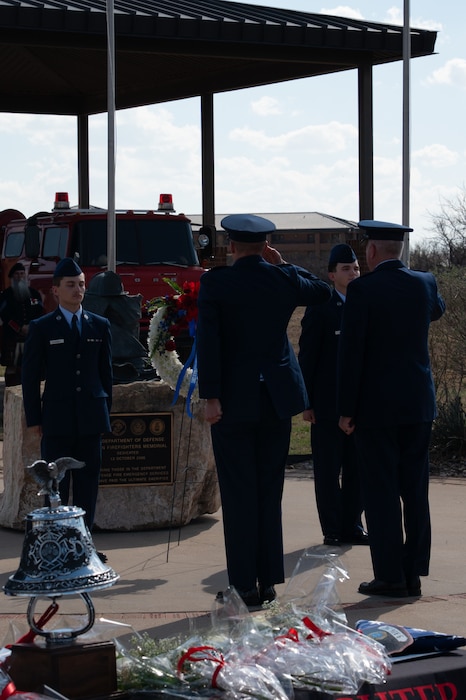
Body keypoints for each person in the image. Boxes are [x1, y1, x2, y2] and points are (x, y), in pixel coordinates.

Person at [196, 214, 331, 607]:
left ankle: (243, 585)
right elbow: (322, 291)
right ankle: (269, 580)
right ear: (265, 245)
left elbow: (209, 342)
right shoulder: (282, 278)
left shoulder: (217, 282)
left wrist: (211, 396)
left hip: (233, 402)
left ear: (231, 246)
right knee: (269, 491)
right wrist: (284, 264)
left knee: (239, 494)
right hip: (276, 399)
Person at [338, 220, 446, 598]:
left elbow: (351, 355)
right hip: (418, 403)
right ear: (400, 250)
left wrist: (345, 409)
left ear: (370, 252)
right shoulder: (425, 282)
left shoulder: (362, 290)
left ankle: (390, 575)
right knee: (415, 491)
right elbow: (436, 311)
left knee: (381, 492)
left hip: (375, 408)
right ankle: (414, 572)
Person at [22, 258, 113, 537]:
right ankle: (58, 544)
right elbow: (30, 375)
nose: (78, 290)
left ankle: (84, 545)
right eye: (71, 285)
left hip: (90, 418)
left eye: (82, 284)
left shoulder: (99, 325)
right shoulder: (43, 327)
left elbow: (106, 374)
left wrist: (105, 413)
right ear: (55, 291)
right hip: (57, 419)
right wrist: (34, 418)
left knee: (88, 483)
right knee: (55, 485)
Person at [298, 243, 368, 547]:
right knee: (328, 471)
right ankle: (333, 529)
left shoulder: (366, 304)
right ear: (331, 274)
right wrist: (307, 402)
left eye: (355, 268)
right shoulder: (321, 308)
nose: (352, 273)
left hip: (361, 404)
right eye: (345, 269)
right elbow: (308, 358)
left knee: (358, 469)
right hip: (327, 406)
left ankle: (353, 524)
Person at [0, 262, 44, 386]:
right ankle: (11, 392)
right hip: (12, 337)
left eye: (22, 274)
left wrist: (31, 326)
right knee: (11, 367)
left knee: (32, 365)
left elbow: (40, 312)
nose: (20, 276)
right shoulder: (6, 295)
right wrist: (19, 327)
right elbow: (5, 315)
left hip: (31, 336)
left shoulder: (34, 294)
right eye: (17, 274)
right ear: (12, 277)